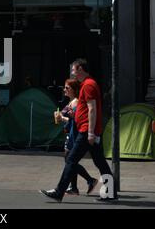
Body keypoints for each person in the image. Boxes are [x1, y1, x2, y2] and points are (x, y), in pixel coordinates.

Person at [40, 58, 114, 202]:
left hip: (86, 131)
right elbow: (87, 108)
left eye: (73, 69)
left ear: (80, 69)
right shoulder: (87, 84)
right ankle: (111, 193)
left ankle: (59, 192)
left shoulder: (88, 85)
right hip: (88, 130)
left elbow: (92, 109)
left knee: (71, 160)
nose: (72, 72)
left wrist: (91, 132)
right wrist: (77, 116)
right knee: (100, 162)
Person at [54, 78, 98, 196]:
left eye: (67, 88)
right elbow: (67, 118)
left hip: (75, 134)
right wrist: (60, 118)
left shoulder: (77, 102)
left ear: (74, 89)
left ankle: (88, 181)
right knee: (69, 161)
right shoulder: (70, 102)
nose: (65, 90)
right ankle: (74, 187)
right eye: (64, 87)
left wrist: (65, 118)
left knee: (70, 161)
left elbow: (77, 119)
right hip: (69, 133)